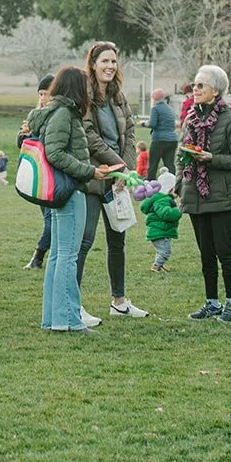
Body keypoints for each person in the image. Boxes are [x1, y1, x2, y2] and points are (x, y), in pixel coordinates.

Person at [27, 65, 101, 332]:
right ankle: (67, 320)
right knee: (66, 256)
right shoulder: (63, 114)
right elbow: (55, 154)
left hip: (66, 191)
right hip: (70, 191)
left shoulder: (59, 112)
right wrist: (90, 171)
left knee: (59, 256)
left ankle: (53, 319)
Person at [78, 41, 147, 323]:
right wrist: (116, 164)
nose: (109, 66)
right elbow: (88, 134)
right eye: (104, 61)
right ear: (93, 64)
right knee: (84, 241)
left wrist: (127, 168)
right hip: (95, 177)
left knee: (117, 240)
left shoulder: (118, 96)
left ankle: (119, 301)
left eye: (113, 62)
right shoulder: (85, 96)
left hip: (118, 179)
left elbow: (130, 132)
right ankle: (74, 304)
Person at [178, 64, 231, 323]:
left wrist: (212, 158)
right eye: (194, 85)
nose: (194, 90)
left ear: (216, 91)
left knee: (224, 252)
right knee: (205, 254)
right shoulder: (190, 119)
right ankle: (212, 303)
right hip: (194, 196)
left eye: (201, 86)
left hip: (221, 197)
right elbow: (181, 155)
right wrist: (178, 187)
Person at [23, 75, 56, 270]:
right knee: (49, 219)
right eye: (41, 94)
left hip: (54, 174)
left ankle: (38, 256)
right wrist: (24, 135)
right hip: (40, 175)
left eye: (46, 93)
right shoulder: (35, 114)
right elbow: (25, 146)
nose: (43, 98)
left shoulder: (57, 116)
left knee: (51, 220)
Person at [141, 172, 182, 272]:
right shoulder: (162, 200)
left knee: (161, 251)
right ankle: (156, 266)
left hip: (160, 230)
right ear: (170, 189)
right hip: (159, 231)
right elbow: (167, 214)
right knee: (165, 251)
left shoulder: (162, 199)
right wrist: (180, 210)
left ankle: (159, 265)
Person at [147, 88, 179, 177]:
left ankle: (150, 182)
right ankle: (173, 183)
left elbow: (152, 124)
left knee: (153, 164)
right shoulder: (169, 108)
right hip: (172, 140)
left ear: (154, 98)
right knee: (169, 165)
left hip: (160, 139)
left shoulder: (155, 108)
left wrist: (144, 123)